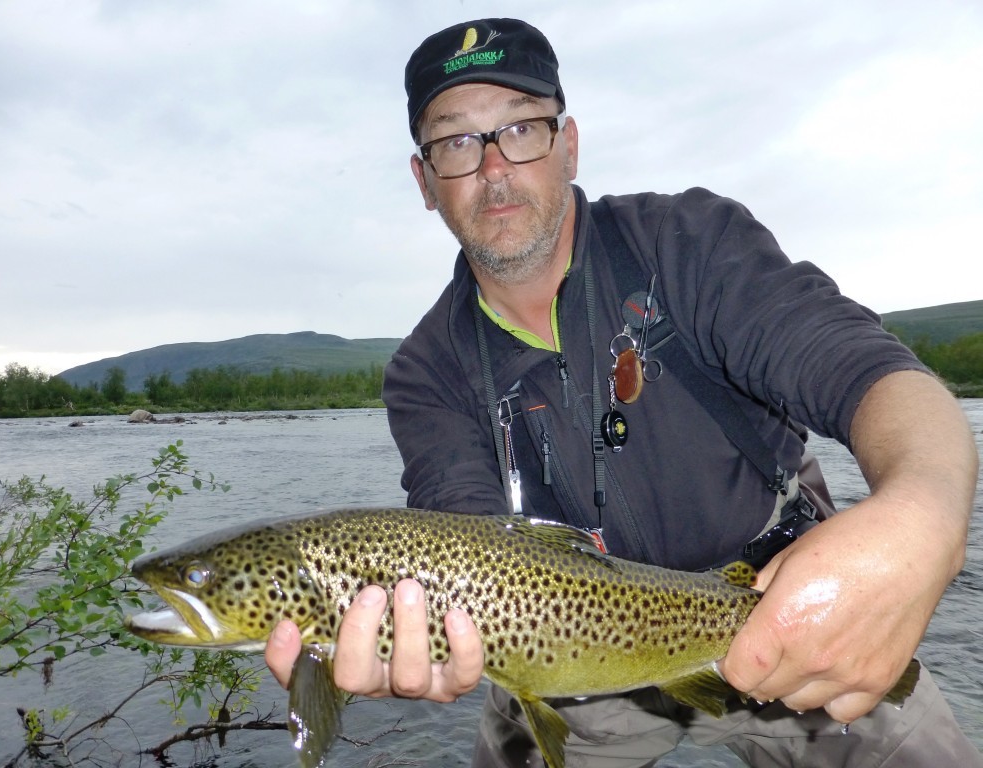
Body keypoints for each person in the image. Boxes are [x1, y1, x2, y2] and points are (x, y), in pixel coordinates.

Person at [267, 17, 981, 767]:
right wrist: (419, 639)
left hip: (782, 605)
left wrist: (924, 510)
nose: (494, 167)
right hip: (573, 661)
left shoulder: (687, 242)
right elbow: (465, 543)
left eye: (522, 129)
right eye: (455, 142)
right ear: (424, 180)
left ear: (569, 144)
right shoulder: (426, 373)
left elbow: (868, 372)